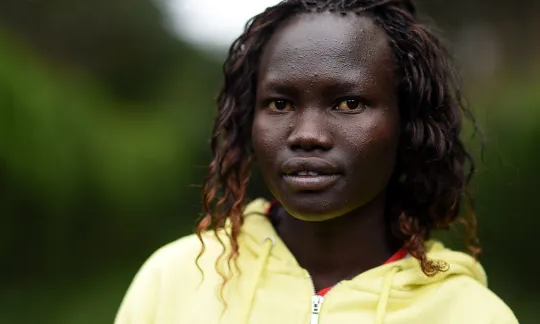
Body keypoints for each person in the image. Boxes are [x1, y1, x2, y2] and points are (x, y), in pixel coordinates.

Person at [115, 0, 518, 323]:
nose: (307, 134)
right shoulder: (173, 280)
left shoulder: (472, 314)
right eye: (280, 103)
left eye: (348, 103)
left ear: (406, 123)